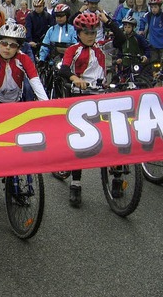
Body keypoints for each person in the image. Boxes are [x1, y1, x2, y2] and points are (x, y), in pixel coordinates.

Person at [59, 11, 125, 207]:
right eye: (86, 32)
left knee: (115, 136)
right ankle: (76, 183)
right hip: (81, 98)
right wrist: (75, 79)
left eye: (94, 32)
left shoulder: (101, 48)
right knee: (83, 141)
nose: (90, 36)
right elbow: (63, 69)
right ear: (79, 33)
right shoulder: (73, 49)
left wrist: (108, 22)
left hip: (102, 96)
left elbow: (120, 39)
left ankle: (117, 178)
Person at [0, 22, 48, 104]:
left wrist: (46, 103)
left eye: (13, 45)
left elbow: (35, 81)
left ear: (18, 48)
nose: (7, 48)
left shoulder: (24, 58)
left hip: (16, 100)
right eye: (4, 43)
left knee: (28, 88)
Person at [114, 15, 151, 83]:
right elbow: (120, 50)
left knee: (138, 80)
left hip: (136, 63)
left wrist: (145, 56)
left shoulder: (138, 38)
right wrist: (118, 58)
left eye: (129, 27)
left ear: (133, 27)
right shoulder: (122, 38)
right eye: (125, 27)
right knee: (121, 80)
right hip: (125, 63)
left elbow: (147, 48)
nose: (127, 29)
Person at [139, 0, 163, 64]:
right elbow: (142, 20)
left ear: (159, 7)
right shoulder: (149, 15)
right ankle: (154, 74)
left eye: (155, 7)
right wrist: (141, 29)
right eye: (152, 7)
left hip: (162, 44)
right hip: (153, 44)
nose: (153, 9)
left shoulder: (162, 16)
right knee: (154, 62)